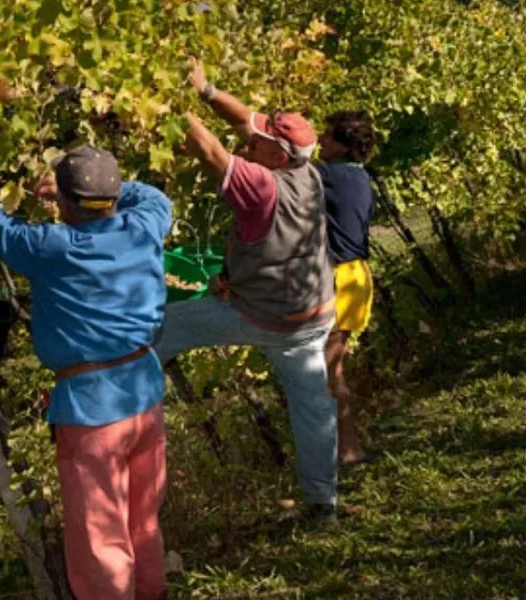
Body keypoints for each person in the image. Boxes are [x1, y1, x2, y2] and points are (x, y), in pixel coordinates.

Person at [0, 147, 171, 600]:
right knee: (142, 518)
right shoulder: (146, 225)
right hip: (146, 392)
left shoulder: (54, 248)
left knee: (100, 536)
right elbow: (152, 196)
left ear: (66, 203)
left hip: (93, 409)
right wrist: (103, 188)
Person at [154, 60, 340, 524]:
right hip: (315, 314)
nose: (248, 139)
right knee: (313, 409)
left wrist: (161, 102)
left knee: (158, 330)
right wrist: (205, 89)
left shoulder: (260, 185)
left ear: (277, 154)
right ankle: (323, 502)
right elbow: (243, 121)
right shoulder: (308, 172)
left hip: (267, 318)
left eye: (258, 140)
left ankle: (123, 414)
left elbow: (213, 151)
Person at [316, 110, 378, 469]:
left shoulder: (330, 176)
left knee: (330, 371)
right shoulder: (357, 176)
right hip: (355, 278)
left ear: (342, 146)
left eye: (327, 137)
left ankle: (347, 453)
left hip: (340, 279)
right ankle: (346, 450)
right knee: (334, 367)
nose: (320, 142)